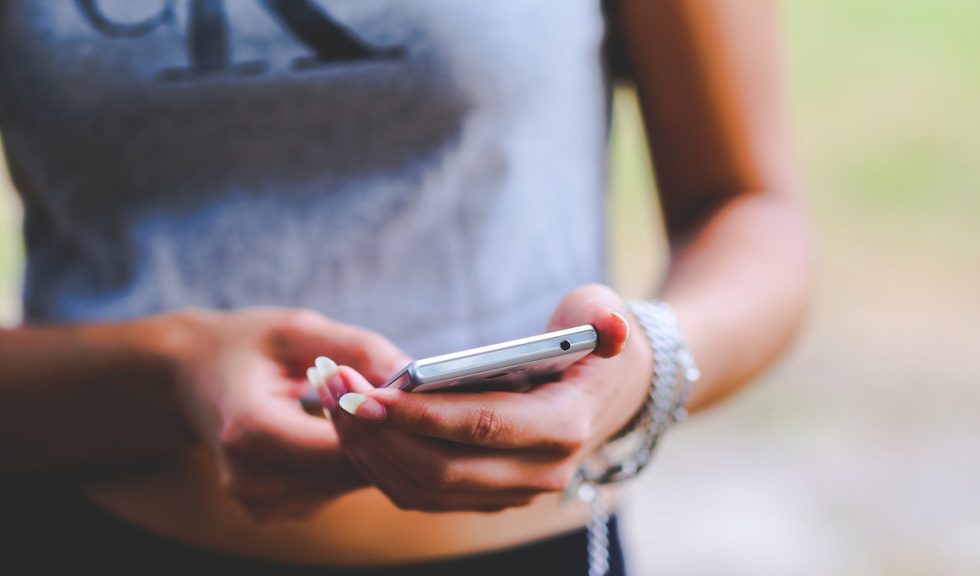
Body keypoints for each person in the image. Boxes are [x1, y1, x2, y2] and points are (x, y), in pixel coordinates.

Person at [0, 1, 811, 573]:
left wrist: (642, 370)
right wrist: (171, 371)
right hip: (89, 539)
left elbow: (747, 208)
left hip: (533, 555)